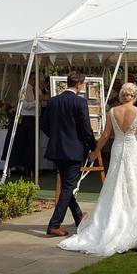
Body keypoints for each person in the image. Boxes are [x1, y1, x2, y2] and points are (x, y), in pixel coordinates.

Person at [59, 82, 137, 256]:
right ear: (134, 96)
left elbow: (105, 136)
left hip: (118, 148)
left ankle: (111, 219)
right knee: (135, 182)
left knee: (115, 182)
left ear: (121, 95)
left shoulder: (113, 112)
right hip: (134, 149)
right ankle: (136, 220)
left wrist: (95, 153)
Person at [41, 72, 98, 237]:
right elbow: (86, 128)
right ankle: (54, 224)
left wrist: (56, 137)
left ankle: (78, 215)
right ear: (79, 84)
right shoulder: (80, 102)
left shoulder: (53, 101)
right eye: (84, 84)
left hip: (57, 149)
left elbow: (44, 125)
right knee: (68, 187)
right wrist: (93, 147)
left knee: (67, 185)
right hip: (74, 150)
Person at [2, 74, 38, 176]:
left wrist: (44, 100)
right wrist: (37, 101)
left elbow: (39, 105)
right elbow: (24, 105)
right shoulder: (23, 90)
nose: (35, 81)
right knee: (27, 144)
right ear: (29, 79)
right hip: (26, 118)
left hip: (36, 118)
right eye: (34, 79)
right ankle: (25, 166)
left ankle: (31, 166)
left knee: (33, 145)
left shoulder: (37, 90)